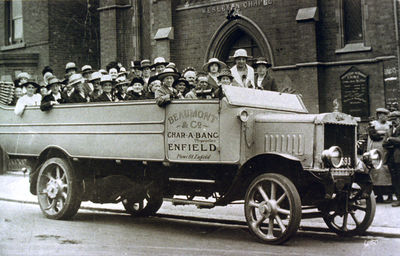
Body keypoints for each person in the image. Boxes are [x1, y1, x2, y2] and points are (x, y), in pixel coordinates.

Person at [368, 108, 393, 203]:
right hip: (376, 149)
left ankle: (389, 195)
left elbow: (392, 135)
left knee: (387, 171)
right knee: (376, 171)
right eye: (383, 115)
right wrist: (385, 136)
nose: (385, 117)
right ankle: (379, 195)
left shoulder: (389, 124)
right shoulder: (373, 124)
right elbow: (373, 136)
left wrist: (383, 135)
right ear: (379, 115)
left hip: (387, 150)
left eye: (386, 115)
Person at [383, 111, 400, 207]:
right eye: (392, 120)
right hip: (391, 158)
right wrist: (393, 141)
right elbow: (384, 144)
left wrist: (390, 139)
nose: (393, 122)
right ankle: (398, 198)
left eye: (395, 120)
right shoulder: (389, 130)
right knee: (395, 179)